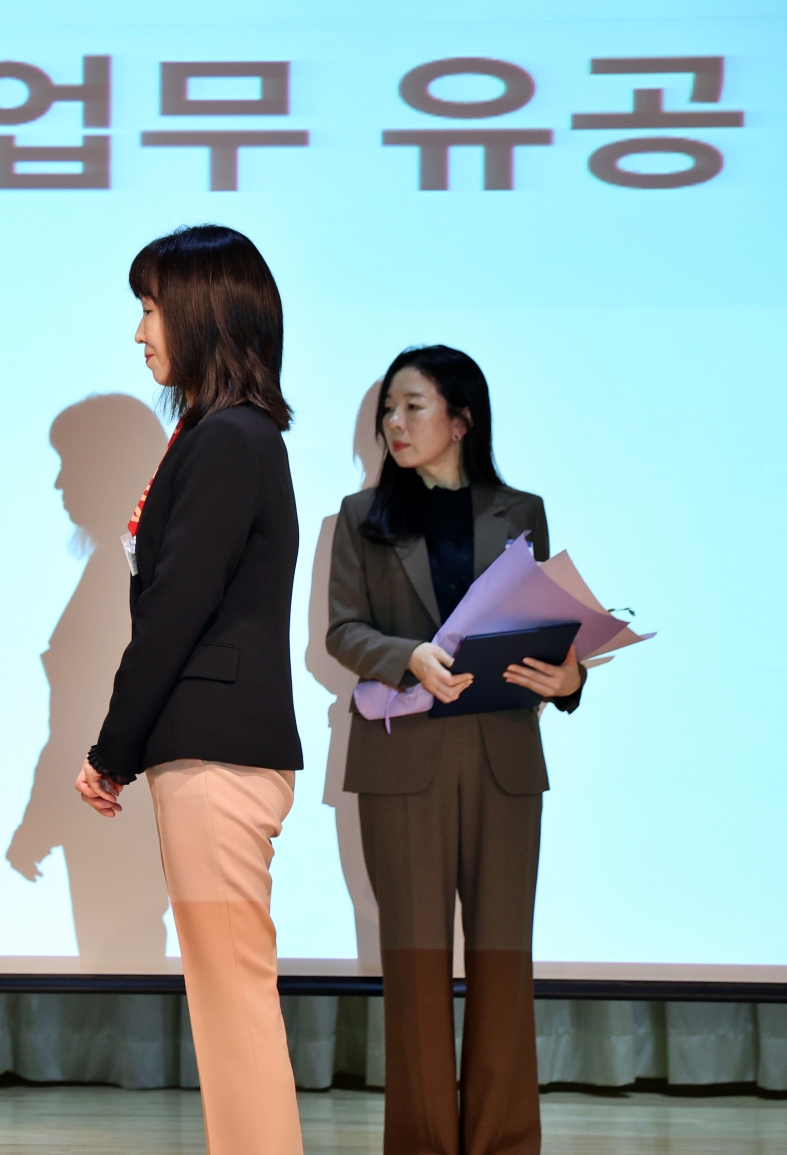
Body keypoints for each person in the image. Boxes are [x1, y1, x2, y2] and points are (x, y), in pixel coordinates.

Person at [78, 225, 304, 1155]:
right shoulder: (225, 437)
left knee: (232, 999)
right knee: (227, 997)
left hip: (215, 751)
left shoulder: (226, 442)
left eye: (151, 307)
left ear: (202, 314)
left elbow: (175, 610)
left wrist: (110, 750)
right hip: (218, 750)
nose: (141, 333)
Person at [325, 346, 584, 1155]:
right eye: (387, 413)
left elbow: (547, 632)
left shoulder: (523, 509)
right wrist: (407, 655)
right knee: (415, 963)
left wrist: (571, 675)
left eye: (412, 407)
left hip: (505, 757)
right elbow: (342, 631)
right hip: (404, 763)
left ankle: (505, 1141)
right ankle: (423, 1142)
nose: (395, 425)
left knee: (506, 960)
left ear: (462, 417)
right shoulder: (359, 517)